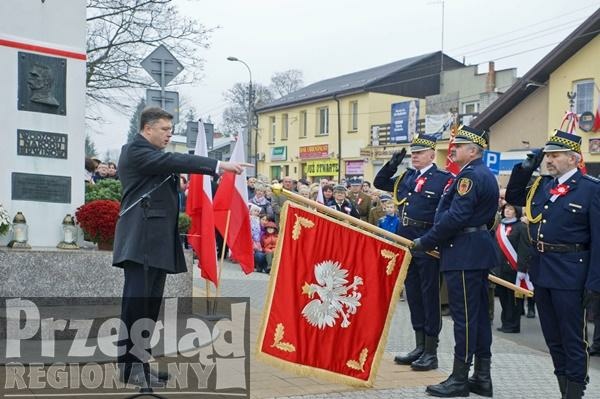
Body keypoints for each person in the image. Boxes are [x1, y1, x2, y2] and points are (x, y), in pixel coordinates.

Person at [112, 107, 250, 387]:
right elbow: (174, 161)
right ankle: (127, 366)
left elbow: (166, 168)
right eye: (164, 129)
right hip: (141, 241)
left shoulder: (151, 154)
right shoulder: (134, 150)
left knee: (150, 306)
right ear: (147, 128)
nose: (168, 135)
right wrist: (218, 166)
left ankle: (140, 362)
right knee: (136, 306)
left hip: (155, 241)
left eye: (170, 130)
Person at [505, 129, 600, 399]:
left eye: (555, 155)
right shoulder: (543, 186)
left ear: (573, 158)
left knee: (572, 339)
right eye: (547, 155)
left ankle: (575, 393)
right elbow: (513, 197)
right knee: (553, 339)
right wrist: (525, 168)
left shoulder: (591, 189)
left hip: (572, 273)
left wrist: (594, 282)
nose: (549, 160)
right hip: (543, 270)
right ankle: (564, 390)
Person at [412, 125, 499, 397]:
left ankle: (460, 379)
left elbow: (457, 217)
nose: (453, 150)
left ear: (473, 151)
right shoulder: (476, 173)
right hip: (471, 249)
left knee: (465, 319)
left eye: (459, 146)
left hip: (464, 251)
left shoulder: (470, 176)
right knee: (479, 318)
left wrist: (426, 241)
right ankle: (481, 377)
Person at [374, 134, 452, 372]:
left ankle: (431, 351)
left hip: (427, 245)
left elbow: (446, 214)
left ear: (431, 154)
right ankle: (419, 346)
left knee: (430, 299)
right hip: (406, 243)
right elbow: (379, 182)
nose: (414, 156)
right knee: (414, 296)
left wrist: (435, 242)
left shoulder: (443, 179)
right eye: (413, 153)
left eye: (419, 153)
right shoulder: (407, 177)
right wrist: (392, 163)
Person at [493, 203, 530, 334]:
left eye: (511, 209)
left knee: (513, 299)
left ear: (516, 212)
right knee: (503, 297)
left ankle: (513, 325)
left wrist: (522, 268)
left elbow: (524, 249)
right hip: (500, 269)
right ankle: (505, 323)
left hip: (514, 269)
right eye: (506, 209)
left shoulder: (521, 227)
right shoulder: (500, 226)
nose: (507, 211)